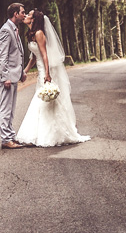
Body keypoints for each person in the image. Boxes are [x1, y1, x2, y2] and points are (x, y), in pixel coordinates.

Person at [16, 9, 90, 147]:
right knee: (41, 99)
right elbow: (34, 57)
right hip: (40, 68)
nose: (25, 16)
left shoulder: (39, 33)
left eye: (28, 15)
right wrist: (25, 71)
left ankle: (52, 133)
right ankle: (39, 132)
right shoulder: (32, 34)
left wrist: (47, 73)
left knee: (44, 99)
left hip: (45, 69)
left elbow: (44, 55)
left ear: (33, 20)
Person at [0, 3, 27, 149]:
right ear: (15, 13)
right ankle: (6, 139)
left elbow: (17, 53)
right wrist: (5, 76)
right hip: (6, 77)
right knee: (5, 109)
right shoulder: (6, 31)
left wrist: (21, 72)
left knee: (11, 109)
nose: (24, 15)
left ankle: (11, 136)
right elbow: (2, 56)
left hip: (13, 75)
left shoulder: (14, 29)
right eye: (22, 12)